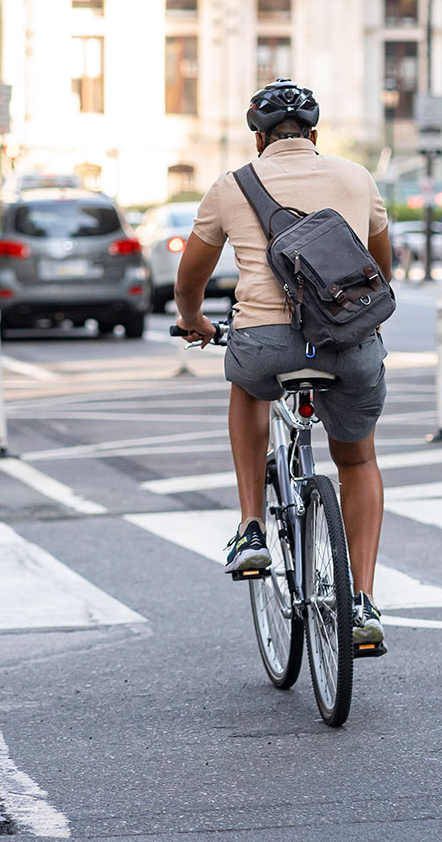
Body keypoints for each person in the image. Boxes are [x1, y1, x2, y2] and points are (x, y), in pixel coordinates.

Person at [174, 79, 394, 651]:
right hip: (348, 342)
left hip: (266, 342)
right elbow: (381, 268)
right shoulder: (356, 177)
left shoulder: (231, 187)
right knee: (358, 459)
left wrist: (194, 320)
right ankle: (362, 603)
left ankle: (251, 529)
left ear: (259, 138)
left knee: (247, 385)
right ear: (315, 135)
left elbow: (191, 277)